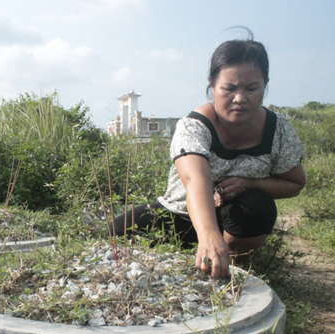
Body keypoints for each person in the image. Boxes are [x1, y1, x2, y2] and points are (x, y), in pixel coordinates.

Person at [110, 31, 305, 278]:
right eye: (229, 88)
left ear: (265, 85)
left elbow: (295, 183)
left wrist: (250, 184)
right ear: (212, 86)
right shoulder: (193, 126)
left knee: (258, 206)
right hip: (179, 213)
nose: (240, 98)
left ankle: (233, 266)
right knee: (114, 234)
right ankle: (206, 249)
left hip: (232, 219)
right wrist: (208, 235)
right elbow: (195, 180)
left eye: (252, 88)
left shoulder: (278, 129)